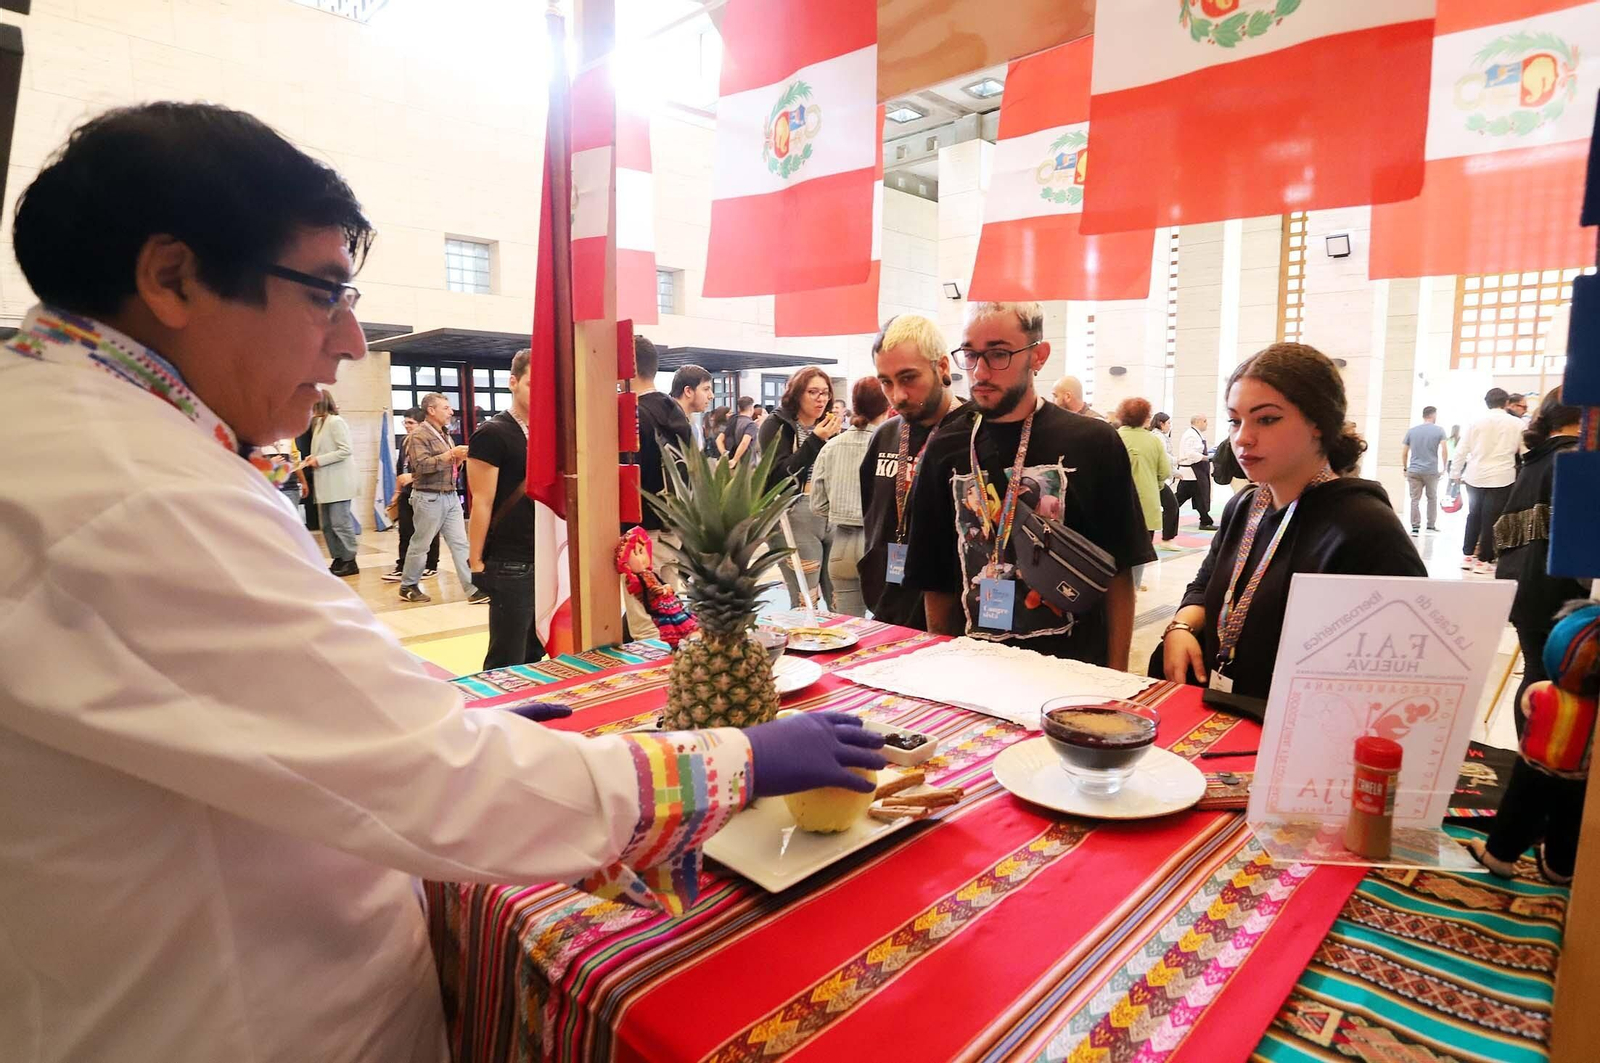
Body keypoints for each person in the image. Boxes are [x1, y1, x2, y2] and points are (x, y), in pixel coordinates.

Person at [0, 101, 887, 1063]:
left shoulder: (91, 439)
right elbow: (442, 786)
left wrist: (416, 713)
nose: (349, 342)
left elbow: (267, 696)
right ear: (171, 277)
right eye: (325, 293)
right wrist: (742, 760)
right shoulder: (132, 489)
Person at [1159, 343, 1426, 699]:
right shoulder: (1246, 505)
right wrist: (1182, 626)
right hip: (1224, 710)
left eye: (1267, 419)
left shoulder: (1365, 525)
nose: (1242, 438)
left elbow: (1403, 666)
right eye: (1235, 421)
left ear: (1318, 423)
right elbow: (1206, 584)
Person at [904, 302, 1153, 667]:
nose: (981, 371)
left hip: (1075, 670)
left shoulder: (1094, 442)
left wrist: (1119, 675)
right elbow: (937, 578)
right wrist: (944, 668)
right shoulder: (947, 446)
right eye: (971, 354)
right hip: (974, 668)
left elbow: (1119, 571)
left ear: (1038, 356)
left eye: (999, 353)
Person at [859, 314, 970, 629]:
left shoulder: (975, 434)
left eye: (909, 378)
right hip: (889, 612)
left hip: (956, 623)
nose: (898, 396)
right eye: (886, 382)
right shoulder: (885, 435)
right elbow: (874, 517)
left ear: (943, 368)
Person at [1494, 388, 1591, 727]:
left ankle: (1530, 760)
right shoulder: (1575, 460)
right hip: (1558, 594)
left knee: (1536, 675)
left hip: (1521, 585)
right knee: (1558, 684)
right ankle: (1544, 765)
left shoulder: (1535, 460)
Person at [466, 348, 546, 670]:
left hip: (546, 556)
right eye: (531, 384)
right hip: (510, 560)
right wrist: (475, 561)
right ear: (513, 382)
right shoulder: (492, 433)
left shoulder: (550, 434)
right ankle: (497, 714)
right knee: (506, 658)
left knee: (535, 654)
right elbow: (482, 501)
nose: (539, 393)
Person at [623, 337, 697, 640]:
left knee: (643, 620)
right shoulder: (676, 412)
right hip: (675, 525)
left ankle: (649, 679)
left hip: (642, 529)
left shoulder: (633, 412)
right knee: (669, 607)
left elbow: (630, 472)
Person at [758, 366, 842, 609]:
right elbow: (778, 475)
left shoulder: (830, 424)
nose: (820, 399)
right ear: (797, 394)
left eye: (825, 393)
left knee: (838, 594)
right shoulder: (777, 424)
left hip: (830, 512)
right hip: (794, 514)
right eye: (813, 392)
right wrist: (816, 439)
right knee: (806, 598)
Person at [811, 377, 889, 616]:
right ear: (887, 404)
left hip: (842, 544)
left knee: (848, 627)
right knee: (886, 625)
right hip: (879, 545)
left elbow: (817, 504)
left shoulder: (831, 446)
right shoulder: (892, 445)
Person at [398, 392, 479, 603]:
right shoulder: (418, 436)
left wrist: (458, 459)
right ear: (431, 410)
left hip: (450, 496)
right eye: (446, 408)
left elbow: (448, 465)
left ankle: (473, 589)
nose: (451, 411)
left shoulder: (445, 435)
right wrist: (451, 455)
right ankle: (408, 585)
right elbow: (421, 466)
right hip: (428, 497)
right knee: (421, 544)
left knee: (460, 543)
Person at [1454, 387, 1524, 573]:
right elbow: (1525, 451)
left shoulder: (1475, 422)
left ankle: (1467, 556)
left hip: (1474, 475)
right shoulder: (1517, 424)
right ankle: (1484, 561)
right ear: (1507, 403)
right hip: (1502, 476)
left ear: (1486, 402)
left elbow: (1461, 450)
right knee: (1491, 519)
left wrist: (1455, 474)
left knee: (1473, 515)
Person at [1115, 397, 1172, 592]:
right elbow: (1165, 471)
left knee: (1116, 544)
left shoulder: (1112, 436)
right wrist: (1156, 484)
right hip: (1146, 503)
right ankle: (1133, 586)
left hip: (1116, 502)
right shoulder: (1154, 440)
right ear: (1146, 418)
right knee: (1139, 547)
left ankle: (1115, 586)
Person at [305, 389, 360, 576]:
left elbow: (345, 450)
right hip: (325, 482)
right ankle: (338, 557)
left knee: (340, 523)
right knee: (327, 525)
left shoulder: (336, 421)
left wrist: (319, 460)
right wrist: (314, 457)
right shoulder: (319, 423)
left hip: (338, 482)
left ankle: (349, 560)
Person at [385, 407, 440, 581]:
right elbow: (400, 468)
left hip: (426, 490)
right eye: (405, 422)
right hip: (407, 491)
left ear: (421, 423)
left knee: (428, 530)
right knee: (405, 530)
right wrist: (396, 492)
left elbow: (434, 467)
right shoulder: (404, 442)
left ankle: (431, 565)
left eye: (411, 422)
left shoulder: (429, 441)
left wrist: (413, 476)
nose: (407, 426)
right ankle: (402, 565)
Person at [1400, 404, 1449, 534]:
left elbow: (1404, 452)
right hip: (1431, 470)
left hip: (1414, 470)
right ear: (1433, 415)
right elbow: (1444, 450)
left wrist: (1405, 468)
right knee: (1432, 498)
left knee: (1415, 499)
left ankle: (1415, 527)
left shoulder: (1412, 431)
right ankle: (1430, 525)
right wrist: (1444, 468)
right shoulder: (1439, 430)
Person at [1174, 413, 1216, 529]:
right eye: (1205, 421)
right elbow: (1190, 454)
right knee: (1182, 497)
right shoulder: (1191, 435)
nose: (1206, 424)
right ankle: (1165, 514)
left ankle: (1205, 520)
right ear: (1197, 422)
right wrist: (1207, 458)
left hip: (1195, 473)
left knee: (1198, 496)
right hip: (1191, 473)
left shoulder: (1196, 434)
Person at [256, 435, 310, 525]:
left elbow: (295, 460)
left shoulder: (289, 437)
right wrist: (269, 463)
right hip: (269, 488)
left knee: (292, 523)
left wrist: (303, 481)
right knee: (274, 524)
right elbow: (251, 464)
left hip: (290, 487)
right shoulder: (258, 437)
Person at [1151, 412, 1180, 541]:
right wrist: (1176, 462)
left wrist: (1174, 471)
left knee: (1171, 505)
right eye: (1168, 423)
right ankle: (1167, 537)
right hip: (1156, 479)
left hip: (1159, 478)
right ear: (1160, 423)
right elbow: (1163, 457)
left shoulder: (1161, 436)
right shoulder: (1157, 437)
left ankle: (1167, 537)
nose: (1170, 426)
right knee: (1171, 505)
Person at [719, 395, 759, 465]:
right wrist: (735, 460)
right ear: (751, 408)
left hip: (729, 461)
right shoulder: (751, 425)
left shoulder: (732, 420)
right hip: (746, 466)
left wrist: (724, 454)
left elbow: (719, 439)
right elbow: (744, 442)